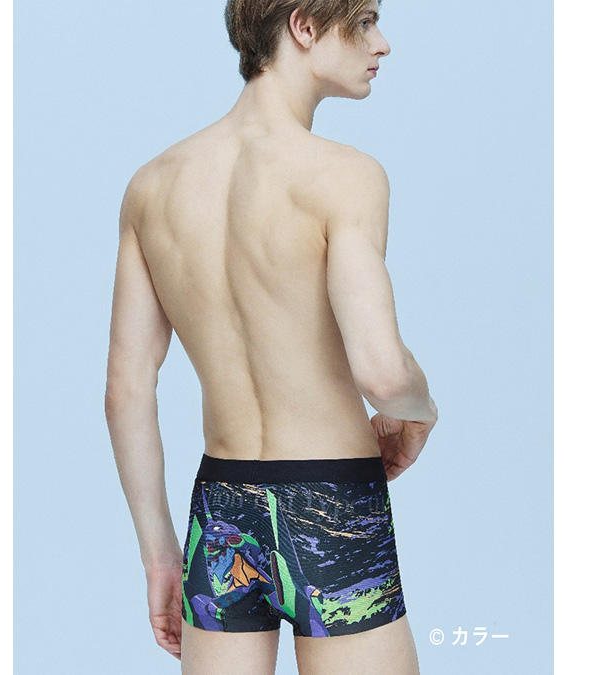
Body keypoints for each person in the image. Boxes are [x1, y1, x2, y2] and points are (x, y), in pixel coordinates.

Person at [104, 1, 437, 673]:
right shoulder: (346, 176)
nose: (382, 43)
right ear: (304, 27)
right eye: (365, 21)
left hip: (221, 508)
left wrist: (162, 556)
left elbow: (126, 391)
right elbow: (383, 373)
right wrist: (422, 410)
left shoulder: (153, 185)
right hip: (332, 502)